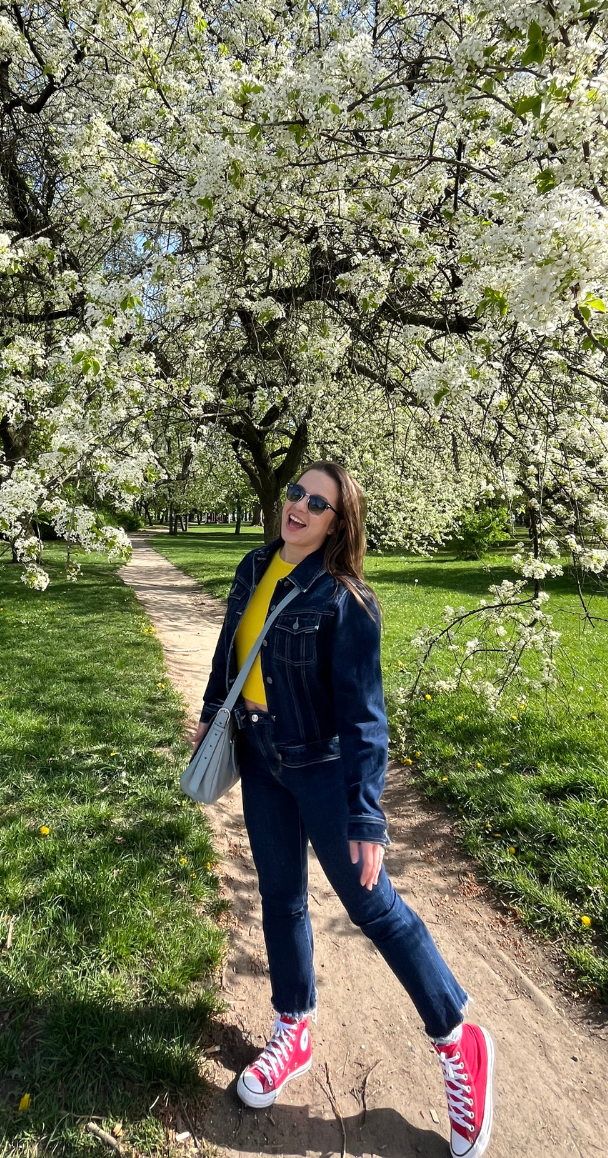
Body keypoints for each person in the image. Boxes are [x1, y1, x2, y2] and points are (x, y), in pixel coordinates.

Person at [193, 461, 495, 1158]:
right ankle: (293, 1024)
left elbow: (365, 717)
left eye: (316, 502)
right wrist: (213, 713)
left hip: (322, 771)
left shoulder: (345, 600)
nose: (297, 505)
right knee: (279, 896)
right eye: (295, 492)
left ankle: (458, 1042)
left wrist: (365, 814)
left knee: (373, 906)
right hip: (261, 757)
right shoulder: (253, 565)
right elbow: (227, 652)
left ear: (337, 523)